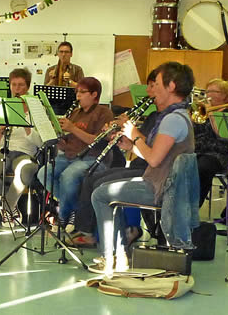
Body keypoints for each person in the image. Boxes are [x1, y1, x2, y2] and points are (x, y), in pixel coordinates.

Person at [89, 61, 196, 274]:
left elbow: (154, 160)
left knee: (100, 195)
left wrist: (134, 134)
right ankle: (119, 255)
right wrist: (131, 146)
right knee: (105, 189)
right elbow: (156, 155)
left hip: (162, 188)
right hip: (163, 183)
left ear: (171, 86)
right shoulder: (179, 115)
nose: (152, 90)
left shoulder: (172, 120)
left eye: (156, 84)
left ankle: (112, 258)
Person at [69, 70, 158, 247]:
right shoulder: (154, 116)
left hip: (152, 171)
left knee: (99, 184)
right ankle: (88, 231)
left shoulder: (168, 119)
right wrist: (122, 139)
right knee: (91, 178)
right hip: (140, 163)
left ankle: (121, 233)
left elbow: (153, 148)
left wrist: (131, 130)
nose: (148, 91)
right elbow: (140, 143)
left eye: (152, 86)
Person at [36, 76, 114, 227]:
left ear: (94, 94)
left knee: (68, 176)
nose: (78, 96)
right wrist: (57, 138)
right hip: (70, 156)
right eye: (77, 92)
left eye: (82, 92)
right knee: (44, 173)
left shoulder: (104, 113)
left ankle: (63, 216)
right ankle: (75, 208)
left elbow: (96, 141)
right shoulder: (76, 113)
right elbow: (66, 143)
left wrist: (72, 128)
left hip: (93, 157)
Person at [0, 68, 43, 228]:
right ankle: (11, 206)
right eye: (14, 85)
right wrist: (0, 131)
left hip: (26, 153)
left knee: (25, 170)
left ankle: (7, 208)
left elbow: (41, 142)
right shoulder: (2, 107)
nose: (17, 89)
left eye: (21, 85)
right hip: (3, 151)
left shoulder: (35, 110)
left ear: (28, 87)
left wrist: (27, 127)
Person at [194, 78, 228, 207]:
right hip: (197, 152)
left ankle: (195, 205)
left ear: (224, 95)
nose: (208, 94)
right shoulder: (201, 112)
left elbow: (222, 135)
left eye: (213, 91)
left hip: (217, 155)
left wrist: (211, 112)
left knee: (202, 167)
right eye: (207, 91)